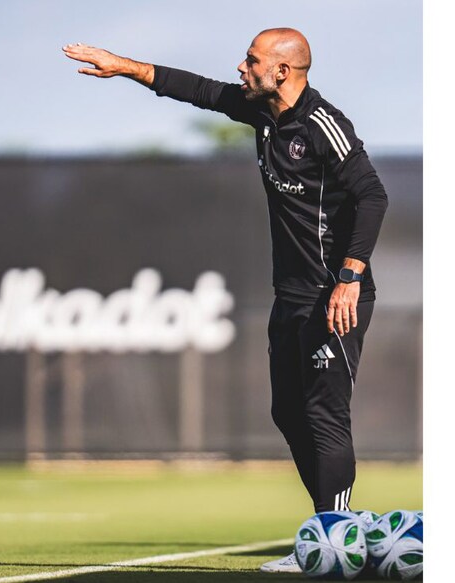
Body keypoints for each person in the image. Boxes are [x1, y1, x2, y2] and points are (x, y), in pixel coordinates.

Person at [63, 28, 388, 574]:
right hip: (290, 299)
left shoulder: (322, 125)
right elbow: (195, 89)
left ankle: (336, 542)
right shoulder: (264, 114)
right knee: (287, 412)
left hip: (335, 296)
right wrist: (123, 65)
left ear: (282, 71)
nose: (242, 67)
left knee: (323, 413)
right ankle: (336, 533)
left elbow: (372, 195)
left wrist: (349, 277)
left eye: (252, 60)